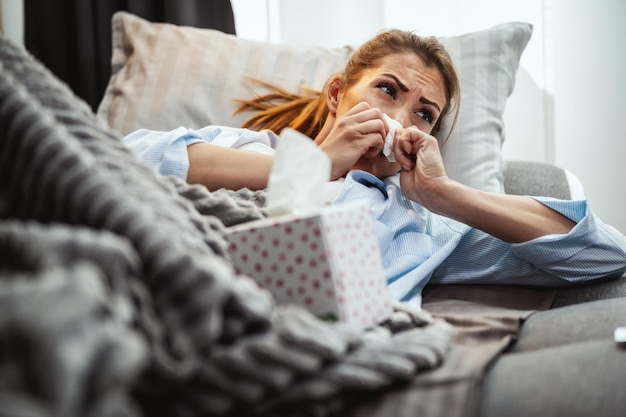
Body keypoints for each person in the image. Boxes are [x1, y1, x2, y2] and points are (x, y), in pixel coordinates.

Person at [123, 29, 626, 307]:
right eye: (388, 90)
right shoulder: (246, 148)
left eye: (424, 114)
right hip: (174, 288)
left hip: (304, 339)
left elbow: (600, 256)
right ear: (339, 95)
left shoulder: (423, 223)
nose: (399, 118)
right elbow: (127, 161)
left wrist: (445, 194)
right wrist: (315, 165)